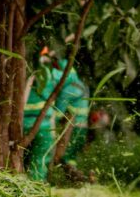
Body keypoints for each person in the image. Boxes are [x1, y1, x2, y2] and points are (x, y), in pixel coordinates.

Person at [23, 47, 65, 182]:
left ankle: (18, 184)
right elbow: (68, 77)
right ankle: (36, 188)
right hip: (44, 124)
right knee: (40, 159)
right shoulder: (50, 73)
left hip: (22, 123)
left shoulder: (22, 73)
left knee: (19, 157)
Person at [58, 54, 90, 171]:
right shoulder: (82, 85)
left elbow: (59, 112)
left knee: (64, 156)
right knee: (72, 157)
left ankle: (76, 178)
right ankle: (77, 179)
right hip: (83, 127)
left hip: (73, 127)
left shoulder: (69, 89)